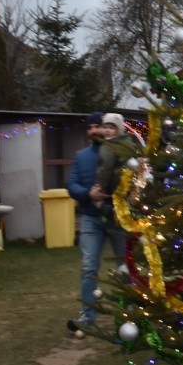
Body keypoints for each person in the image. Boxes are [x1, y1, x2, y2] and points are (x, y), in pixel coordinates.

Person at [66, 111, 127, 332]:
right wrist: (87, 194)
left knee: (125, 267)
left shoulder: (122, 152)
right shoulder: (81, 156)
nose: (94, 131)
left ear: (109, 128)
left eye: (98, 126)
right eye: (90, 128)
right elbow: (71, 185)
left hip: (118, 220)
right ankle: (87, 315)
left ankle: (131, 311)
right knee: (89, 267)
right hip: (91, 220)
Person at [91, 113, 133, 218]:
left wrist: (100, 184)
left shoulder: (108, 145)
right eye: (105, 127)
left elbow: (106, 166)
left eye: (111, 128)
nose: (107, 130)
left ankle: (109, 211)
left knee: (103, 200)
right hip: (126, 180)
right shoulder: (126, 140)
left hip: (114, 180)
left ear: (118, 130)